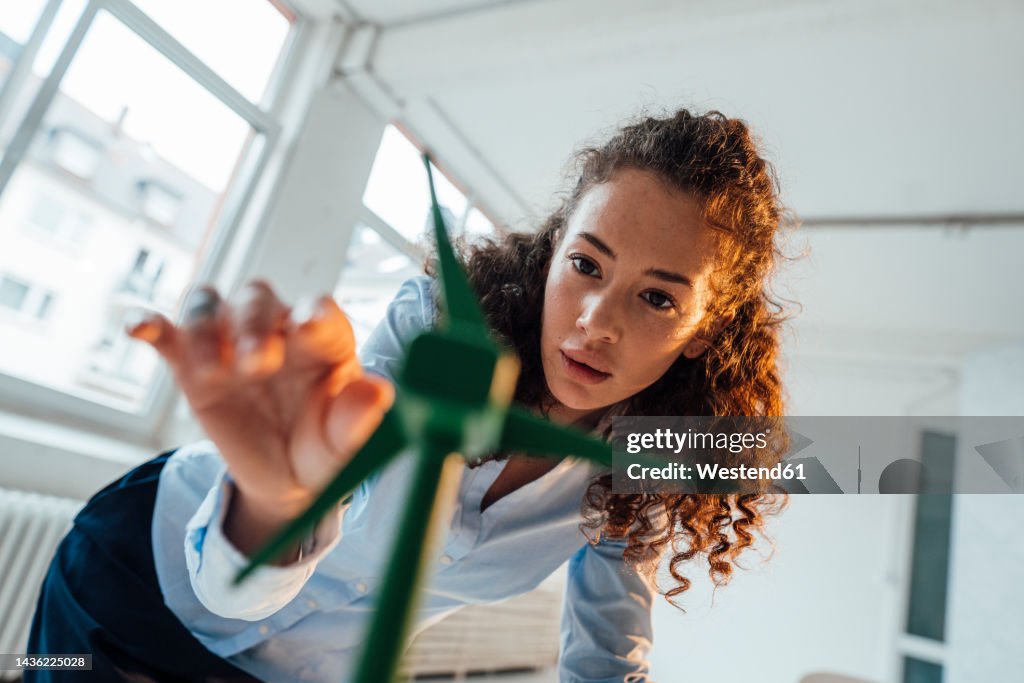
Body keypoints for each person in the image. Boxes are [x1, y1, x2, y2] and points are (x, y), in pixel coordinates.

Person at [27, 109, 793, 682]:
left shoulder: (644, 469)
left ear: (703, 330)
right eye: (587, 265)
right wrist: (271, 507)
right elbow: (250, 569)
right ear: (555, 247)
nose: (597, 324)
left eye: (657, 300)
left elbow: (607, 649)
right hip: (140, 566)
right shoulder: (434, 323)